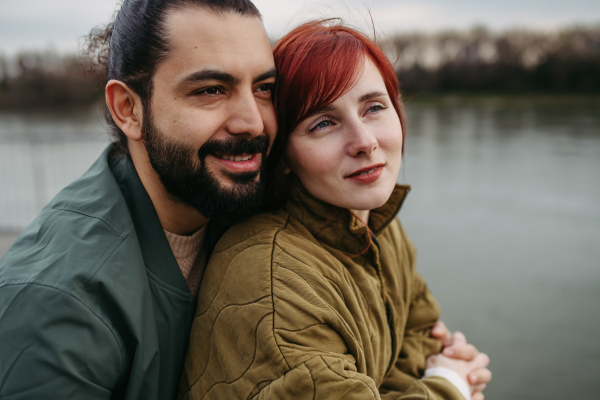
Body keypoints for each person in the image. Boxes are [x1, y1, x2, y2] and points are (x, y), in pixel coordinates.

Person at [179, 21, 491, 400]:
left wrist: (441, 370)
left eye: (374, 107)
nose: (364, 142)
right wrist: (449, 385)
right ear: (285, 156)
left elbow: (420, 329)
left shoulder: (375, 220)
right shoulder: (270, 284)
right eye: (324, 123)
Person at [0, 0, 278, 398]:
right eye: (211, 90)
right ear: (128, 109)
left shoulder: (249, 202)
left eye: (264, 88)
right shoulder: (55, 303)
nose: (253, 121)